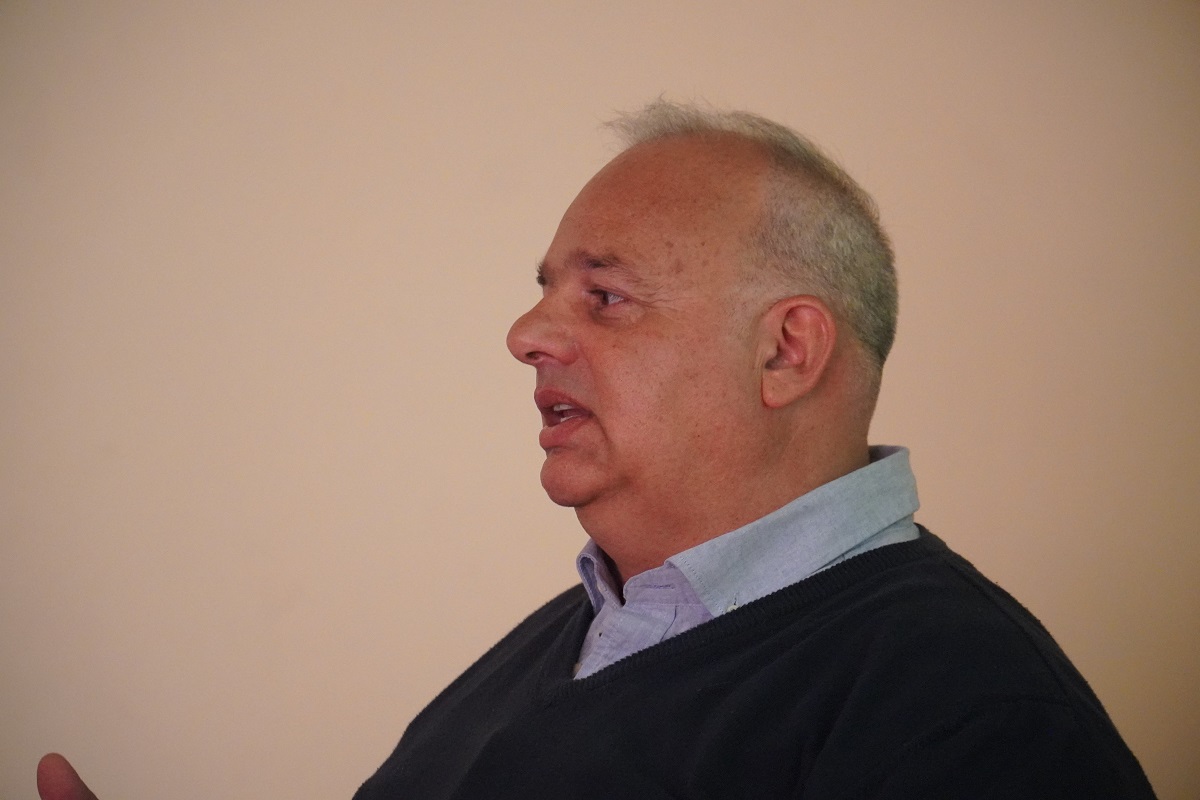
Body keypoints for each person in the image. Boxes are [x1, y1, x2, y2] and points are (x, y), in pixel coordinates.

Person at [37, 101, 1156, 799]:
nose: (526, 334)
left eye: (605, 297)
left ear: (786, 352)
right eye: (545, 292)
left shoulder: (974, 718)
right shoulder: (574, 637)